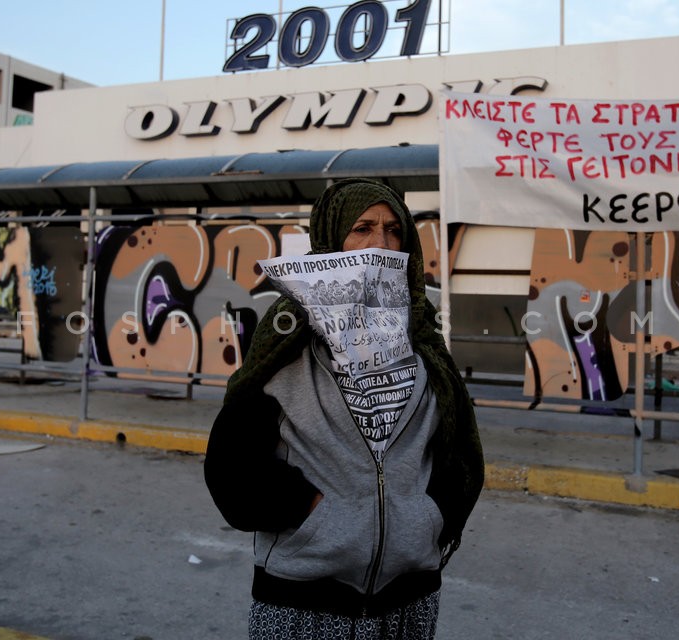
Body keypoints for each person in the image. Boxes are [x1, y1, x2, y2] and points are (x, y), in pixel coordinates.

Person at [204, 178, 484, 640]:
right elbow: (232, 468)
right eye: (363, 228)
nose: (380, 244)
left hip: (409, 599)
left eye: (394, 231)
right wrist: (313, 512)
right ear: (331, 239)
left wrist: (426, 518)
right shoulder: (285, 338)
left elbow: (456, 451)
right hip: (303, 601)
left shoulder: (424, 341)